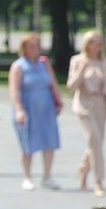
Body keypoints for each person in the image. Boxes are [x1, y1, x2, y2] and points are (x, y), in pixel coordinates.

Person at [66, 30, 106, 194]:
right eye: (92, 42)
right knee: (93, 138)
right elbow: (71, 85)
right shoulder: (77, 60)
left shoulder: (105, 63)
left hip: (100, 104)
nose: (96, 46)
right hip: (84, 103)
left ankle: (83, 169)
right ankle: (99, 180)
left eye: (99, 42)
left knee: (96, 143)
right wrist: (82, 69)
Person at [9, 33, 63, 189]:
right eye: (30, 46)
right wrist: (19, 109)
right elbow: (14, 89)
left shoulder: (44, 63)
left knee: (49, 140)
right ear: (24, 48)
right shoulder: (19, 66)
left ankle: (47, 176)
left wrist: (58, 101)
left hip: (46, 106)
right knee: (27, 142)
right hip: (28, 106)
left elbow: (52, 83)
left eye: (36, 46)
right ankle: (27, 176)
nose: (34, 49)